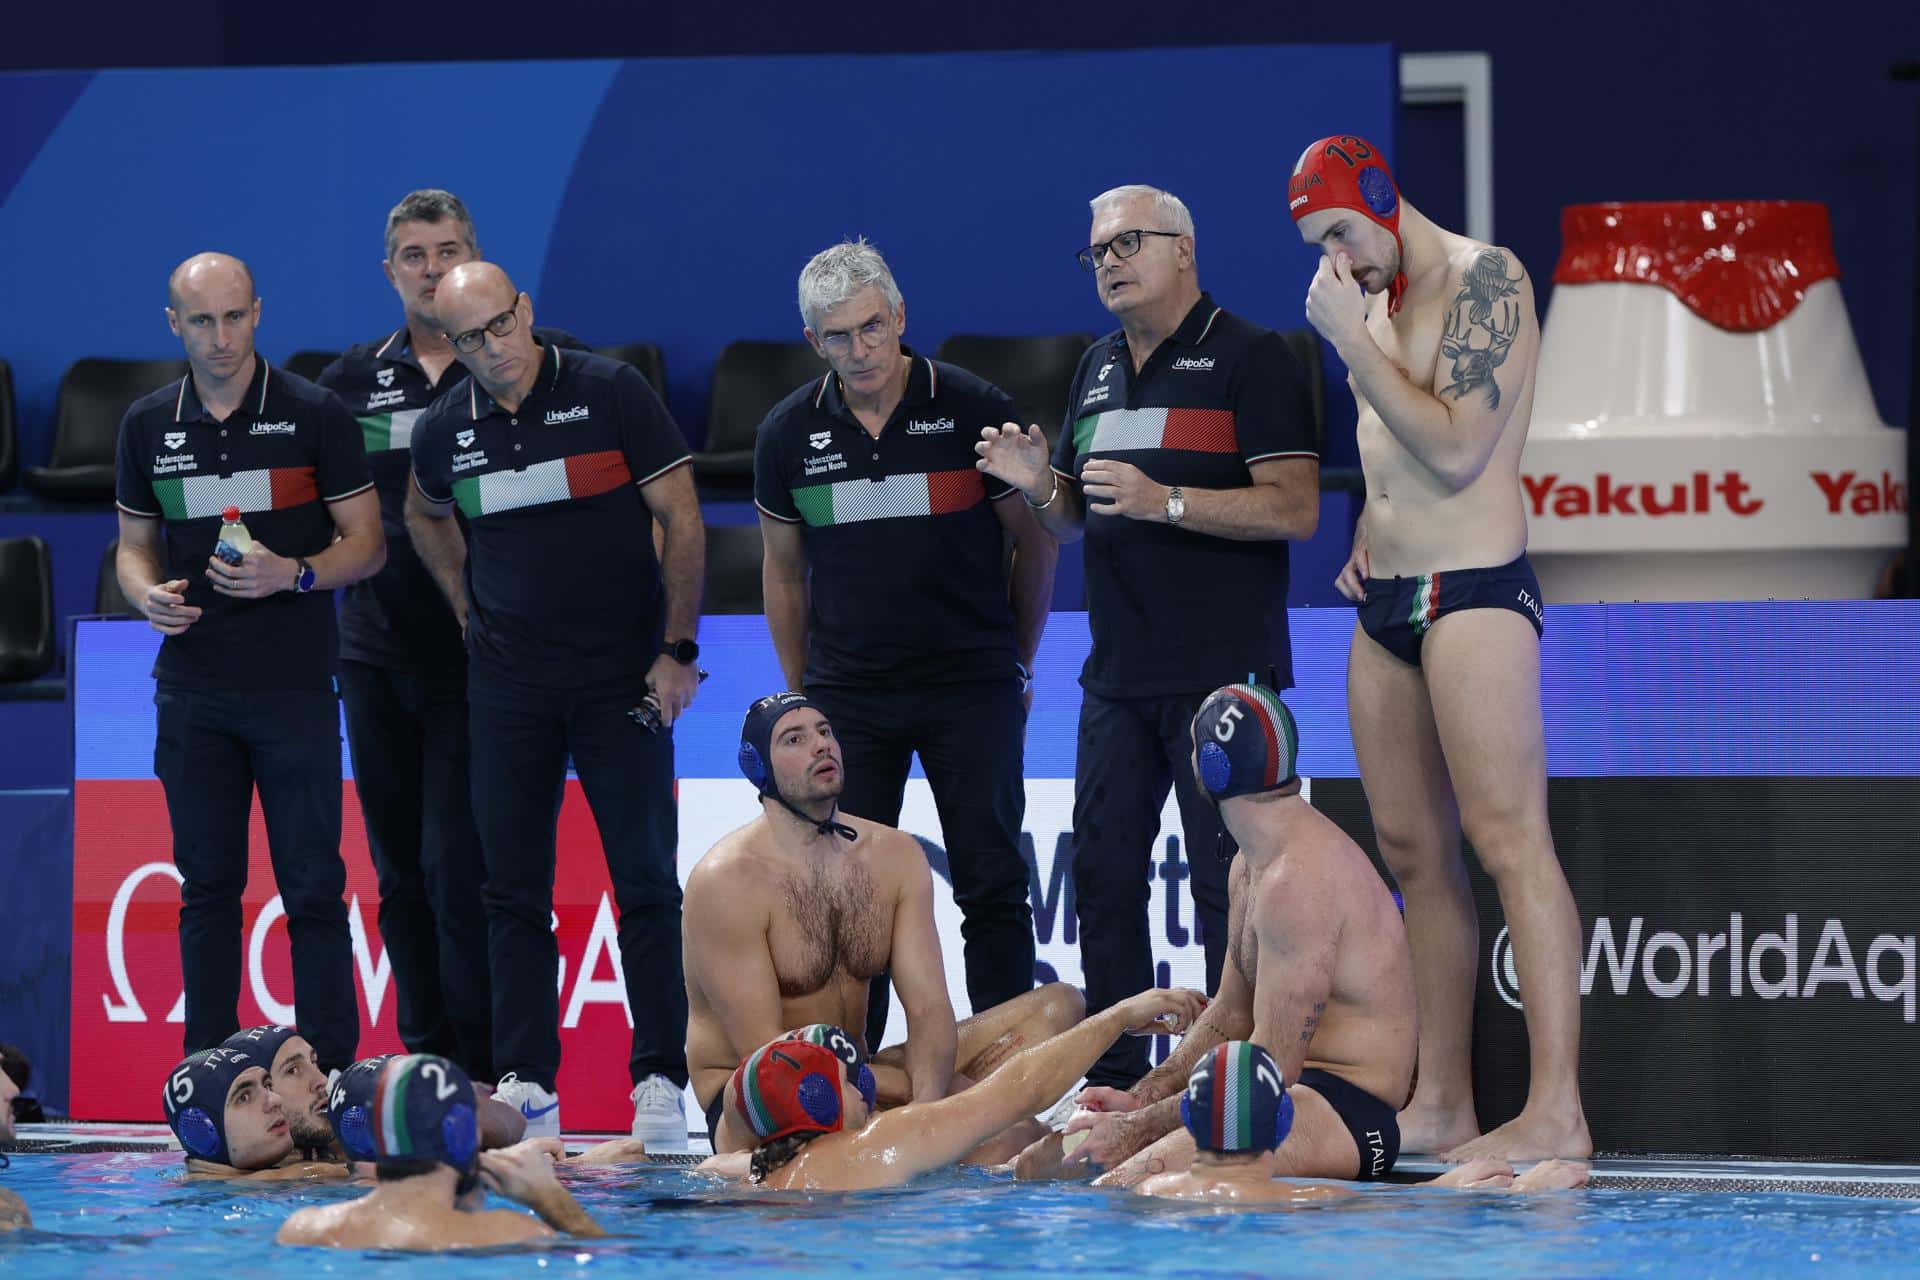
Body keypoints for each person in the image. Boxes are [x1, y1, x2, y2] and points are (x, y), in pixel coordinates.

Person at [976, 184, 1320, 1091]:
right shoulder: (1094, 365)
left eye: (1129, 243)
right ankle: (1118, 1081)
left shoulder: (1256, 357)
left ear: (1185, 250)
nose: (1111, 263)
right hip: (1117, 676)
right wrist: (1035, 486)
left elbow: (1295, 509)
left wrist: (1165, 500)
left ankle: (1232, 1077)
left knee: (1229, 890)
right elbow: (1076, 520)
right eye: (1097, 251)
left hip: (1224, 679)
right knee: (1102, 876)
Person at [1289, 134, 1590, 1161]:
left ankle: (1557, 1109)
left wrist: (1352, 346)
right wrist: (1371, 533)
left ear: (1381, 196)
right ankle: (1447, 1099)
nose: (1336, 260)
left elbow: (1461, 448)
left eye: (1339, 232)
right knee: (1417, 859)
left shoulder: (1485, 279)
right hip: (1387, 606)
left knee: (1511, 843)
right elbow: (1395, 461)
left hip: (1476, 595)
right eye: (1318, 246)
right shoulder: (1364, 304)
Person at [405, 262, 705, 1145]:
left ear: (526, 311)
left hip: (621, 679)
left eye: (501, 325)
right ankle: (530, 1081)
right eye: (469, 338)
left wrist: (677, 651)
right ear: (448, 344)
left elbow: (684, 519)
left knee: (646, 884)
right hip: (508, 688)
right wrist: (466, 607)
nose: (492, 349)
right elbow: (425, 517)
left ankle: (658, 1078)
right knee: (510, 893)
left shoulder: (611, 392)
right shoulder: (441, 432)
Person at [317, 191, 591, 1080]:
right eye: (414, 255)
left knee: (465, 866)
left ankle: (483, 1068)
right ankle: (427, 1056)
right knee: (399, 874)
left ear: (477, 254)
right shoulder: (347, 383)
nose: (432, 268)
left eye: (449, 249)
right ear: (389, 270)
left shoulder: (531, 366)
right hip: (376, 653)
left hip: (490, 662)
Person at [757, 239, 1057, 1050]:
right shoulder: (787, 433)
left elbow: (1036, 543)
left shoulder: (969, 407)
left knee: (993, 885)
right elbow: (782, 575)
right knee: (852, 900)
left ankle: (1000, 1075)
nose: (860, 351)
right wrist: (805, 696)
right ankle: (854, 1083)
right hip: (851, 696)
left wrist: (1015, 658)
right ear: (813, 341)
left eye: (872, 327)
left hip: (971, 687)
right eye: (838, 336)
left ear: (900, 317)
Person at [115, 252, 383, 1075]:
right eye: (202, 321)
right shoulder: (147, 423)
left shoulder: (315, 413)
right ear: (174, 325)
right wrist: (144, 597)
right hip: (193, 690)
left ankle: (330, 1070)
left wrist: (294, 573)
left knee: (311, 888)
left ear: (259, 313)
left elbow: (367, 546)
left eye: (234, 317)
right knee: (207, 890)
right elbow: (132, 550)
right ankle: (209, 1068)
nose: (221, 337)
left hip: (295, 688)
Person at [1022, 685, 1415, 1188]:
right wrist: (1141, 1099)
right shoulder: (1251, 866)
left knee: (1120, 1185)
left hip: (1344, 1112)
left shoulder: (1295, 882)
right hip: (1274, 1094)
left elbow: (1269, 1072)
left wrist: (1133, 1131)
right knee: (1047, 1166)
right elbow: (1230, 1012)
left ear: (1212, 767)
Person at [685, 693, 1085, 1158]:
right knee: (1007, 1143)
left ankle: (961, 1121)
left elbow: (930, 1010)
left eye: (825, 731)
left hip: (861, 1075)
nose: (820, 746)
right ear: (759, 769)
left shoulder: (893, 857)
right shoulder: (728, 880)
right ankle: (989, 1116)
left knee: (1059, 1007)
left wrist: (931, 1111)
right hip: (767, 1102)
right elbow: (774, 1063)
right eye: (794, 739)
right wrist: (942, 1101)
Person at [731, 986, 1205, 1191]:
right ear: (818, 1100)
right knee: (1045, 1143)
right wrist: (1120, 1015)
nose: (863, 1091)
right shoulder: (874, 1144)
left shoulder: (753, 1172)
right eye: (849, 1084)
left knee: (1035, 1158)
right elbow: (1018, 1087)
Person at [1133, 1041, 1589, 1202]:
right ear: (1283, 1123)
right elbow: (1402, 1212)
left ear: (1189, 1120)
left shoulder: (1150, 1191)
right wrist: (1524, 1194)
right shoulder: (1304, 1200)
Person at [278, 1054, 606, 1250]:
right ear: (464, 1134)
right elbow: (607, 1259)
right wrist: (551, 1199)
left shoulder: (305, 1228)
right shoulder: (508, 1232)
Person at [161, 1047, 347, 1181]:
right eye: (244, 1097)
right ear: (202, 1129)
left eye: (268, 1086)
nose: (276, 1100)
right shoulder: (308, 1179)